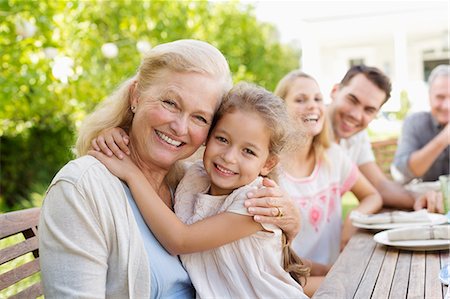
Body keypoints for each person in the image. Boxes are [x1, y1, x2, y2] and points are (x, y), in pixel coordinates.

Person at [38, 39, 300, 298]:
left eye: (199, 117)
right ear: (136, 96)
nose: (180, 127)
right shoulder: (82, 188)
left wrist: (291, 219)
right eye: (170, 103)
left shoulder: (188, 183)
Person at [89, 82, 309, 298]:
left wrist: (132, 175)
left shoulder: (255, 202)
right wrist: (118, 135)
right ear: (207, 137)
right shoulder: (194, 177)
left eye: (248, 151)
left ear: (267, 164)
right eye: (222, 139)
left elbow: (180, 241)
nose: (229, 157)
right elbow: (157, 156)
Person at [273, 70, 383, 296]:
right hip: (290, 283)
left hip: (333, 276)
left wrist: (350, 223)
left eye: (317, 99)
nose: (312, 106)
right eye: (300, 99)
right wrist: (325, 271)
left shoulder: (333, 156)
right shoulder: (269, 169)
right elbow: (270, 258)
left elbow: (373, 196)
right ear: (280, 109)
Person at [327, 64, 444, 213]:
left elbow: (380, 186)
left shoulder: (356, 136)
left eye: (369, 110)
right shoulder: (307, 129)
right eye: (352, 100)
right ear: (335, 91)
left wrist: (423, 198)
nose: (356, 115)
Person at [393, 64, 450, 183]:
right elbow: (404, 170)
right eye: (440, 97)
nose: (446, 106)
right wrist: (443, 139)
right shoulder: (414, 123)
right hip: (423, 197)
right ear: (429, 96)